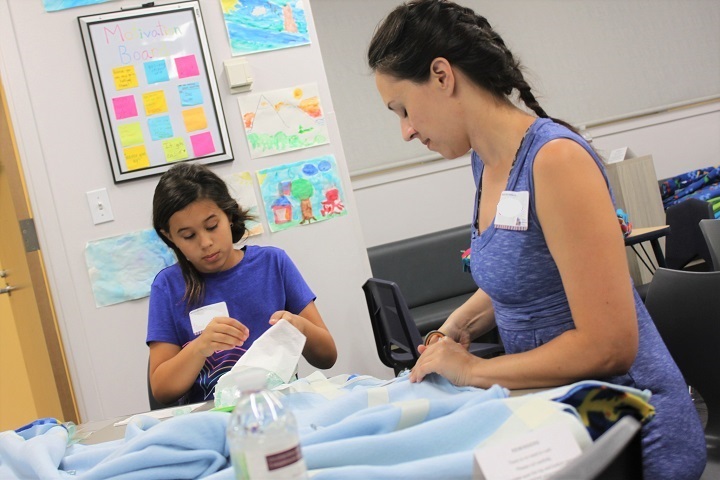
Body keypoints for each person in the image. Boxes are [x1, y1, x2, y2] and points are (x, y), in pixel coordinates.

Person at [367, 1, 705, 478]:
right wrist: (460, 324)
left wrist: (474, 371)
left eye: (402, 109)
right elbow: (532, 268)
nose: (405, 131)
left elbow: (609, 346)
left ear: (442, 76)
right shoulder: (484, 161)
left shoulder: (555, 161)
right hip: (556, 409)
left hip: (628, 426)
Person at [147, 163, 337, 405]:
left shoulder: (273, 264)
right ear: (169, 236)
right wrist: (200, 347)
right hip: (213, 422)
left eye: (212, 226)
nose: (205, 242)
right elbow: (161, 390)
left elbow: (327, 356)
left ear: (229, 214)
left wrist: (300, 327)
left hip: (280, 410)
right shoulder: (168, 286)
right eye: (188, 236)